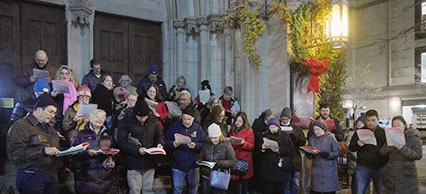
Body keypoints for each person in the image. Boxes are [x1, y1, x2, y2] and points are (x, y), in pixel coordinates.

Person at [7, 94, 61, 194]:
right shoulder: (20, 126)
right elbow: (14, 153)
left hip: (51, 175)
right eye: (50, 112)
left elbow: (57, 150)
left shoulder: (51, 130)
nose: (53, 116)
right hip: (31, 176)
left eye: (54, 113)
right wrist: (43, 151)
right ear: (39, 109)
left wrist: (71, 151)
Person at [116, 99, 164, 194]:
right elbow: (121, 141)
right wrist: (137, 150)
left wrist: (160, 144)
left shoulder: (153, 121)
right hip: (133, 161)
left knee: (148, 190)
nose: (142, 119)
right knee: (135, 190)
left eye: (145, 117)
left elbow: (160, 135)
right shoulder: (126, 121)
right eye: (139, 117)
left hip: (150, 160)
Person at [70, 109, 115, 194]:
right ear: (90, 118)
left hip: (105, 180)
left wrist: (111, 159)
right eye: (97, 116)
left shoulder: (109, 135)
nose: (100, 119)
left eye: (102, 117)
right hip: (85, 178)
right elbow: (72, 152)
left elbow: (114, 151)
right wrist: (87, 152)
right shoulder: (80, 134)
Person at [165, 105, 205, 194]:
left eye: (189, 119)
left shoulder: (198, 128)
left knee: (193, 188)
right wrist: (173, 144)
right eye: (184, 119)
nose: (186, 121)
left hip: (193, 164)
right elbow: (166, 141)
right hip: (177, 163)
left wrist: (196, 145)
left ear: (193, 119)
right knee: (177, 188)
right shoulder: (174, 127)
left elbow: (204, 144)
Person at [379, 116, 423, 194]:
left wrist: (402, 148)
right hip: (391, 175)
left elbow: (418, 155)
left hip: (407, 175)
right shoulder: (390, 138)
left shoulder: (413, 138)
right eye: (394, 126)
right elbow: (382, 152)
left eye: (398, 125)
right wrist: (390, 147)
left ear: (404, 125)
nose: (396, 128)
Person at [349, 109, 388, 194]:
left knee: (380, 190)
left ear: (378, 120)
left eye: (373, 120)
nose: (370, 123)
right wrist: (358, 144)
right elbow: (351, 148)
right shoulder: (359, 132)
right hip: (363, 166)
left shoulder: (384, 132)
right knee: (360, 190)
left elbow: (388, 149)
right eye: (368, 120)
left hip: (380, 166)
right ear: (365, 120)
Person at [199, 123, 236, 194]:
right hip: (206, 176)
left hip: (220, 176)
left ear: (220, 136)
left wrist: (219, 163)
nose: (213, 140)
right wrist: (201, 162)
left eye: (215, 137)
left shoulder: (226, 144)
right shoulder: (206, 145)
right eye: (211, 138)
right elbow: (201, 158)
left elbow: (233, 161)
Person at [260, 118, 294, 194]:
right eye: (271, 127)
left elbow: (290, 149)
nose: (272, 129)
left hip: (281, 170)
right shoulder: (264, 136)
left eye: (274, 127)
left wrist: (279, 150)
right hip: (268, 170)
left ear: (278, 127)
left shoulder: (285, 136)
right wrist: (262, 148)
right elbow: (259, 153)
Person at [308, 121, 340, 194]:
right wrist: (309, 154)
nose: (316, 132)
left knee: (329, 190)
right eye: (314, 130)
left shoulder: (331, 137)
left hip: (329, 167)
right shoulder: (312, 139)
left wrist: (328, 154)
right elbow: (310, 149)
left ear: (323, 129)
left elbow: (337, 152)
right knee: (316, 190)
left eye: (318, 129)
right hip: (316, 167)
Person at [280, 107, 306, 194]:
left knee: (295, 182)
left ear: (290, 119)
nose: (284, 120)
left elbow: (303, 142)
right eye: (283, 118)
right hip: (284, 158)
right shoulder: (278, 128)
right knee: (285, 182)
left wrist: (295, 137)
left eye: (286, 119)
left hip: (295, 159)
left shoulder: (296, 129)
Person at [250, 109, 277, 192]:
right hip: (258, 149)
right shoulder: (258, 122)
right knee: (258, 170)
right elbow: (254, 133)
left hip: (268, 149)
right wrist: (263, 134)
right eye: (270, 117)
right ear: (267, 117)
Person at [228, 112, 254, 194]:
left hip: (244, 160)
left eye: (240, 121)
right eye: (236, 121)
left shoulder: (249, 131)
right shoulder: (232, 130)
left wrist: (243, 143)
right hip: (234, 158)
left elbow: (251, 146)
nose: (237, 123)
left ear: (244, 122)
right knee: (235, 185)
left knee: (244, 184)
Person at [346, 116, 365, 194]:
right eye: (358, 122)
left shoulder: (366, 133)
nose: (359, 124)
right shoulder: (352, 133)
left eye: (361, 122)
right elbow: (349, 146)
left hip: (364, 162)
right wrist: (358, 158)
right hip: (354, 161)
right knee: (355, 181)